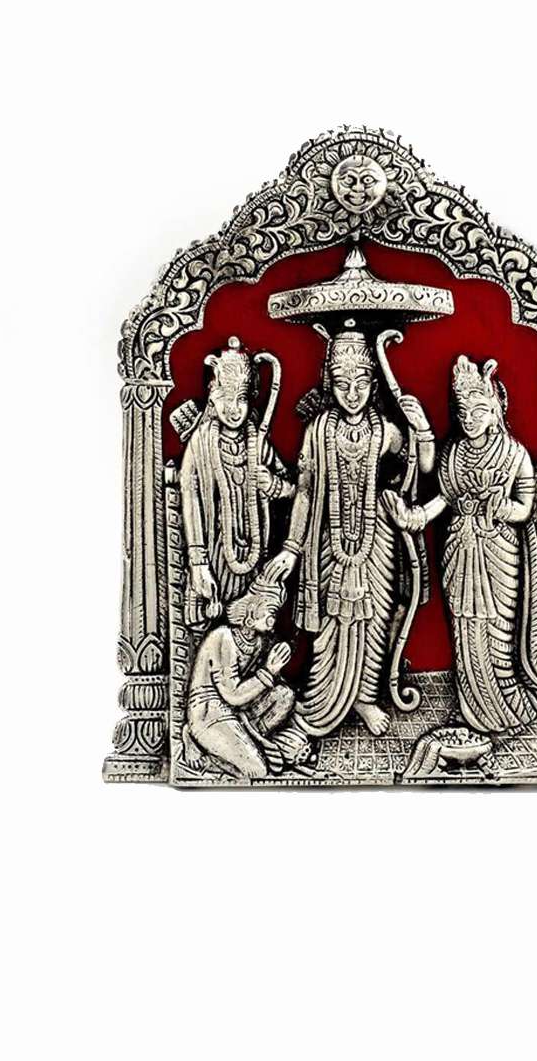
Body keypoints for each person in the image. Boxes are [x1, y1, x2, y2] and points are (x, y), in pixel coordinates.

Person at [266, 329, 433, 737]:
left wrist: (423, 429)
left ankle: (365, 697)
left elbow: (421, 466)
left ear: (374, 384)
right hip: (328, 539)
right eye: (342, 384)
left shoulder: (386, 431)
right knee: (331, 623)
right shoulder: (318, 429)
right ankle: (322, 697)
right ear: (330, 383)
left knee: (374, 619)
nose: (352, 394)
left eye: (361, 384)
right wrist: (291, 548)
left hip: (378, 540)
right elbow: (306, 491)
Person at [384, 354, 537, 735]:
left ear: (494, 410)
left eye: (478, 410)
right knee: (464, 629)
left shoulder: (513, 454)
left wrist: (502, 507)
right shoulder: (454, 453)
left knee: (497, 629)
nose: (469, 418)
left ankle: (506, 703)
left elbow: (525, 508)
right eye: (463, 411)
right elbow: (443, 500)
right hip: (460, 549)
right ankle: (473, 707)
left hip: (498, 552)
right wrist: (414, 518)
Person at [180, 336, 293, 628]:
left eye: (241, 398)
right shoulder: (201, 443)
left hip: (256, 558)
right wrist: (198, 562)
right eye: (226, 398)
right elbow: (190, 499)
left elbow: (294, 488)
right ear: (211, 396)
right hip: (214, 557)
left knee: (253, 629)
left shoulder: (258, 444)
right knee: (212, 625)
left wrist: (274, 485)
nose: (234, 408)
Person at [182, 573, 309, 779]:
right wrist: (268, 671)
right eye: (270, 611)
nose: (273, 618)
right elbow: (232, 695)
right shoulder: (223, 637)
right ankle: (200, 746)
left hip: (238, 712)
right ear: (251, 615)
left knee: (285, 696)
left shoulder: (257, 642)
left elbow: (251, 688)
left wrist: (274, 667)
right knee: (257, 770)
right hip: (209, 712)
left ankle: (245, 741)